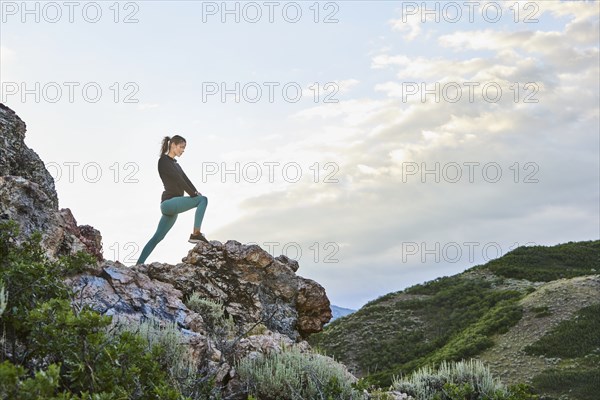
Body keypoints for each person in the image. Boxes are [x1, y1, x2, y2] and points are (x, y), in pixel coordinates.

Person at [136, 135, 208, 265]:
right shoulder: (163, 161)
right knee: (203, 200)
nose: (182, 150)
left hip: (172, 209)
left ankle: (138, 266)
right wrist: (193, 195)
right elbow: (178, 179)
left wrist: (195, 191)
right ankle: (196, 234)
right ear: (173, 145)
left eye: (184, 148)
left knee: (157, 238)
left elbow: (185, 179)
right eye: (181, 147)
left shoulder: (176, 165)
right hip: (168, 203)